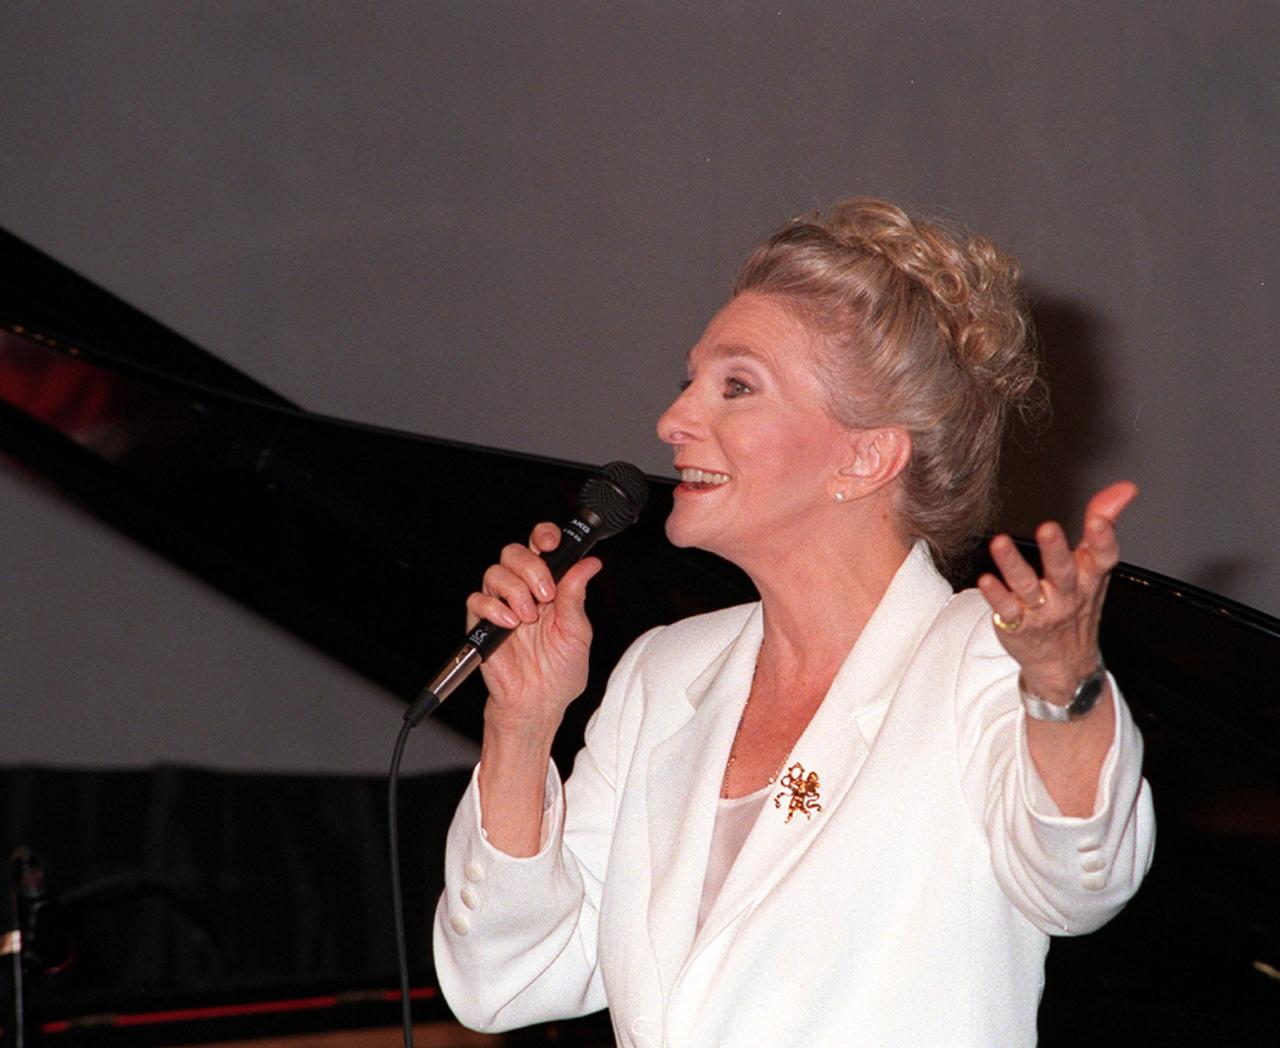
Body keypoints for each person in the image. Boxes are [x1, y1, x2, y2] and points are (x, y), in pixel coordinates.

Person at [432, 198, 1155, 1046]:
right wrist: (521, 725)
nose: (673, 422)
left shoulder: (982, 656)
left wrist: (1064, 687)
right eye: (688, 381)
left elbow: (1078, 885)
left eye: (736, 386)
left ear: (865, 455)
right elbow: (502, 982)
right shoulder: (662, 674)